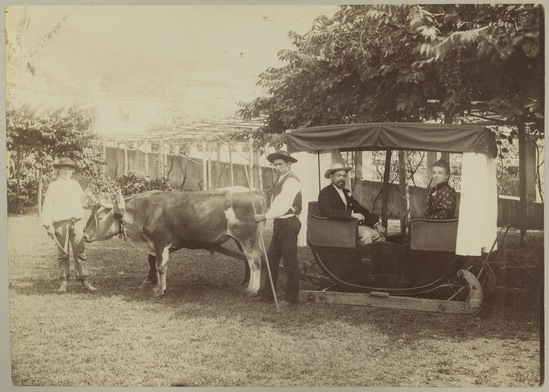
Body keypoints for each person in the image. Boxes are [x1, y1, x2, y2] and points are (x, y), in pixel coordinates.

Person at [253, 150, 302, 307]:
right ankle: (268, 293)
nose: (277, 167)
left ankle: (291, 298)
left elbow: (283, 205)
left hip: (288, 224)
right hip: (280, 224)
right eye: (275, 165)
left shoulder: (292, 181)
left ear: (289, 164)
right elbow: (276, 203)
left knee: (290, 262)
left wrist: (265, 216)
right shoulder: (280, 179)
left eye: (280, 164)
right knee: (271, 259)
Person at [41, 158, 96, 293]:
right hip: (61, 223)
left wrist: (87, 195)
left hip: (76, 222)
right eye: (64, 169)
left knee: (80, 252)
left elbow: (80, 203)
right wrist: (49, 225)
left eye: (69, 169)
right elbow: (48, 206)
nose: (67, 171)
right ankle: (63, 282)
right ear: (58, 170)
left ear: (72, 171)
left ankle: (84, 280)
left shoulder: (75, 185)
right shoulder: (53, 186)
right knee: (63, 254)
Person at [318, 162, 386, 245]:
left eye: (344, 176)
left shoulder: (346, 192)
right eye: (338, 175)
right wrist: (351, 214)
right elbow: (328, 212)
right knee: (366, 235)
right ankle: (363, 258)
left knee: (379, 235)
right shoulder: (325, 193)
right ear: (331, 177)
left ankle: (376, 258)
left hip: (349, 226)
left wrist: (376, 224)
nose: (342, 178)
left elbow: (360, 209)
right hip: (334, 229)